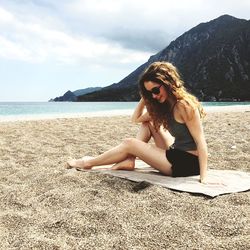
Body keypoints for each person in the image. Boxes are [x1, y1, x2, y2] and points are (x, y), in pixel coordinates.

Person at [67, 61, 208, 183]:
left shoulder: (185, 106)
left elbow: (201, 141)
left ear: (167, 83)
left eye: (155, 90)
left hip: (187, 163)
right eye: (149, 93)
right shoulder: (163, 106)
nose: (154, 95)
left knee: (129, 143)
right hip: (175, 152)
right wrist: (145, 99)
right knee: (148, 124)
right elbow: (136, 119)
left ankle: (88, 163)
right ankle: (130, 160)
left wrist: (203, 177)